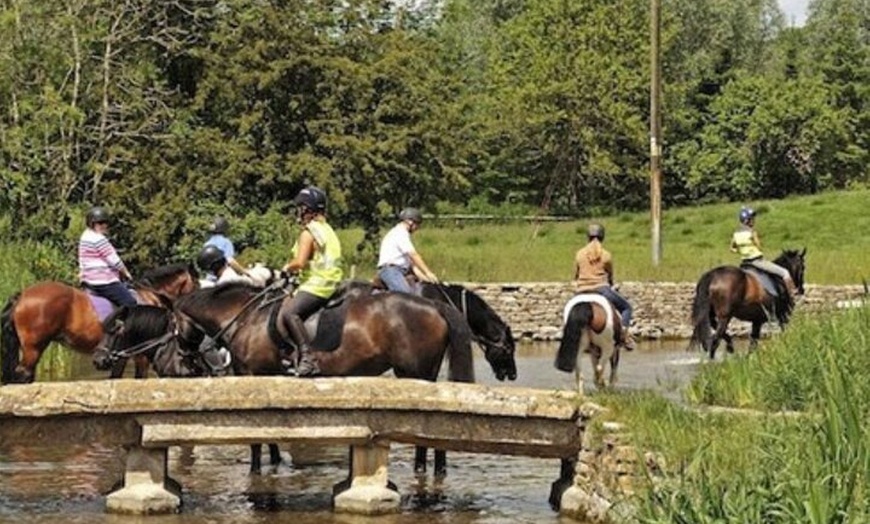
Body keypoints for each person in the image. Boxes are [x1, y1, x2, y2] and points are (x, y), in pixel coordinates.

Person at [280, 186, 343, 376]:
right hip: (331, 281)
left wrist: (285, 268)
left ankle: (308, 357)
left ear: (307, 209)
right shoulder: (327, 229)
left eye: (300, 208)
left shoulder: (309, 233)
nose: (298, 212)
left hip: (318, 284)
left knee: (290, 313)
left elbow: (299, 262)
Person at [573, 223, 636, 351]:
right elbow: (610, 274)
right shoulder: (606, 255)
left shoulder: (579, 254)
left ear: (588, 237)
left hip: (581, 290)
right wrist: (611, 283)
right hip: (601, 289)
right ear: (602, 237)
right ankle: (624, 336)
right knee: (627, 308)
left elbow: (576, 274)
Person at [78, 206, 137, 308]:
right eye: (100, 223)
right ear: (92, 224)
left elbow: (82, 259)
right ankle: (124, 324)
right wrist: (126, 273)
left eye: (105, 222)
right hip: (104, 282)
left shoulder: (85, 236)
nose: (104, 225)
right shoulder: (99, 239)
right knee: (131, 303)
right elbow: (114, 260)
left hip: (88, 281)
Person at [730, 206, 797, 296]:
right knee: (785, 273)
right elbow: (759, 246)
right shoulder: (752, 233)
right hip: (757, 261)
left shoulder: (736, 235)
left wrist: (742, 250)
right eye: (752, 219)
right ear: (747, 221)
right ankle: (793, 293)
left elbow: (732, 249)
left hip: (745, 263)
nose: (754, 221)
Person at [376, 207, 439, 294]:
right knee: (406, 295)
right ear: (410, 222)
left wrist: (428, 280)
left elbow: (413, 266)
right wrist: (428, 272)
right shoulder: (400, 233)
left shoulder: (402, 234)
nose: (417, 228)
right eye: (417, 224)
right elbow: (414, 255)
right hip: (391, 270)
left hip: (400, 271)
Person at [204, 216, 252, 283]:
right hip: (223, 278)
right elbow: (230, 261)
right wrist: (244, 272)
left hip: (209, 279)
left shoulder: (206, 244)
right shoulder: (226, 242)